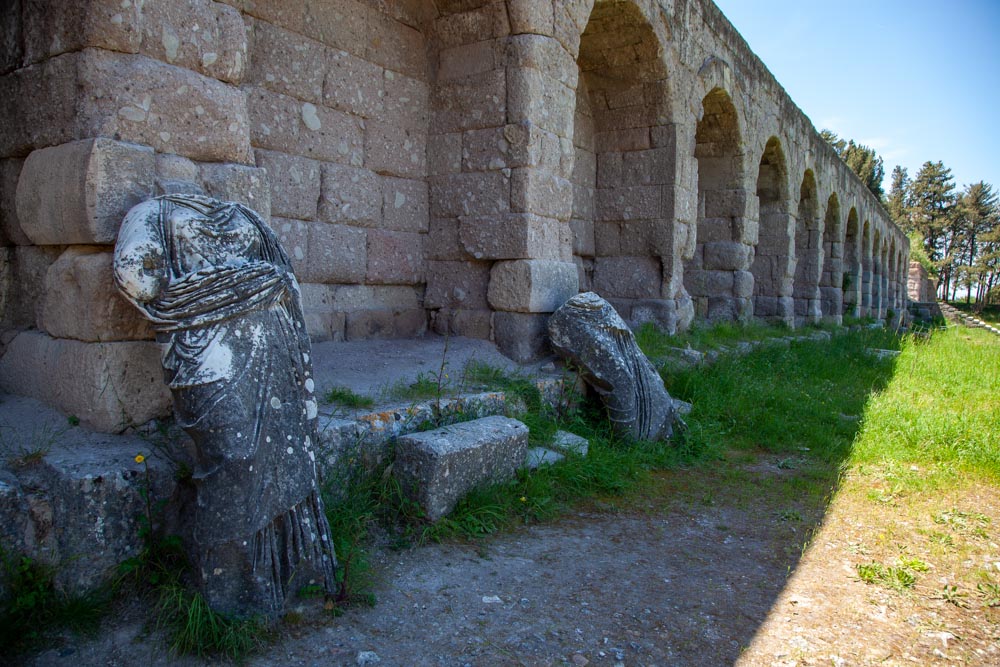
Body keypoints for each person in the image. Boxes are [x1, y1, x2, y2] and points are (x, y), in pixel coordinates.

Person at [114, 194, 336, 617]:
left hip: (270, 338)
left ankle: (289, 576)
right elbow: (136, 278)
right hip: (205, 344)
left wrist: (249, 286)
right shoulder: (153, 213)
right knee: (232, 458)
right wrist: (220, 290)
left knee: (288, 453)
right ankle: (233, 595)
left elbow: (280, 269)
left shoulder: (241, 211)